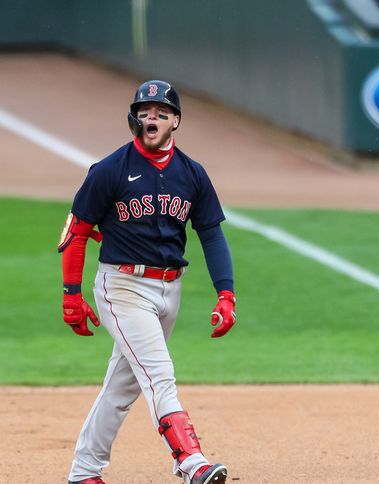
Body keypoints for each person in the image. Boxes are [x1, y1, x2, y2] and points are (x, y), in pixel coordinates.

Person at [59, 80, 236, 484]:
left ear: (175, 120)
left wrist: (226, 293)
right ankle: (191, 462)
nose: (150, 118)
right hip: (122, 288)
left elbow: (211, 234)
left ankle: (84, 472)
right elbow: (77, 232)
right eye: (143, 111)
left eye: (159, 112)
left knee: (122, 388)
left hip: (170, 289)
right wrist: (71, 294)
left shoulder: (192, 174)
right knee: (159, 375)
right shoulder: (108, 171)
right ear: (133, 120)